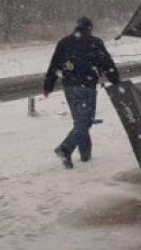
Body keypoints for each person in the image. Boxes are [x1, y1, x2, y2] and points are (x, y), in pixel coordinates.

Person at [43, 17, 120, 168]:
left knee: (80, 121)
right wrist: (116, 81)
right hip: (86, 87)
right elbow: (107, 64)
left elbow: (54, 65)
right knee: (85, 121)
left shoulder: (64, 42)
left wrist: (48, 86)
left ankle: (85, 154)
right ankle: (66, 148)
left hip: (69, 87)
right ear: (90, 28)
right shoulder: (94, 42)